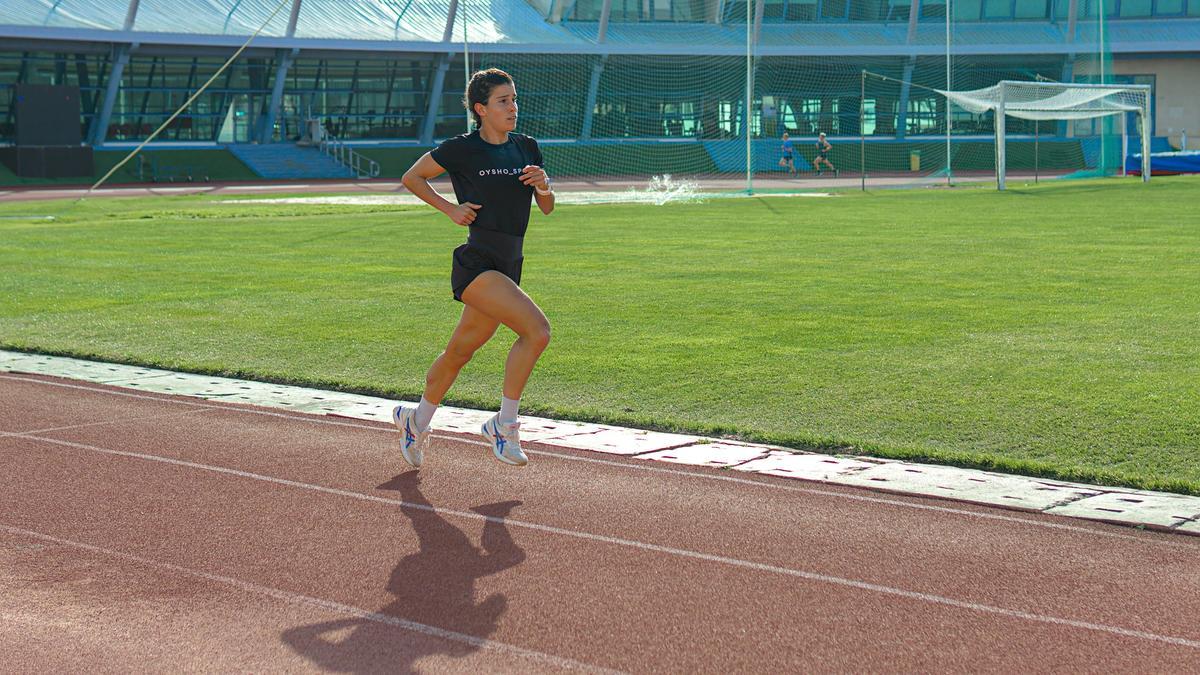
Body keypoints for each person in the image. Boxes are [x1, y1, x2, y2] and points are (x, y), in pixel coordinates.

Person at [393, 68, 554, 469]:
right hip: (478, 263)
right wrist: (450, 209)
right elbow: (412, 177)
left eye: (514, 99)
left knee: (459, 352)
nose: (512, 107)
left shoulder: (527, 147)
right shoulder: (462, 149)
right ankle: (505, 425)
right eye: (503, 101)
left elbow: (547, 208)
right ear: (481, 109)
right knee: (537, 332)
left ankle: (416, 421)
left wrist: (543, 186)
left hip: (510, 263)